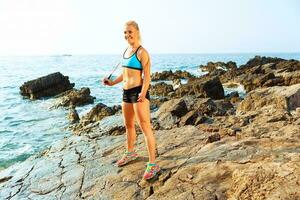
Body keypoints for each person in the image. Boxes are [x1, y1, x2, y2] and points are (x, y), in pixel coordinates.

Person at [103, 20, 160, 180]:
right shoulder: (126, 51)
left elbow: (147, 76)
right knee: (128, 125)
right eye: (125, 32)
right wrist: (112, 82)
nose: (127, 35)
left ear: (137, 32)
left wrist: (143, 92)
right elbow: (125, 73)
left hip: (138, 93)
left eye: (130, 32)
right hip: (126, 93)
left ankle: (153, 164)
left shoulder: (142, 52)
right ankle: (130, 152)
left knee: (145, 127)